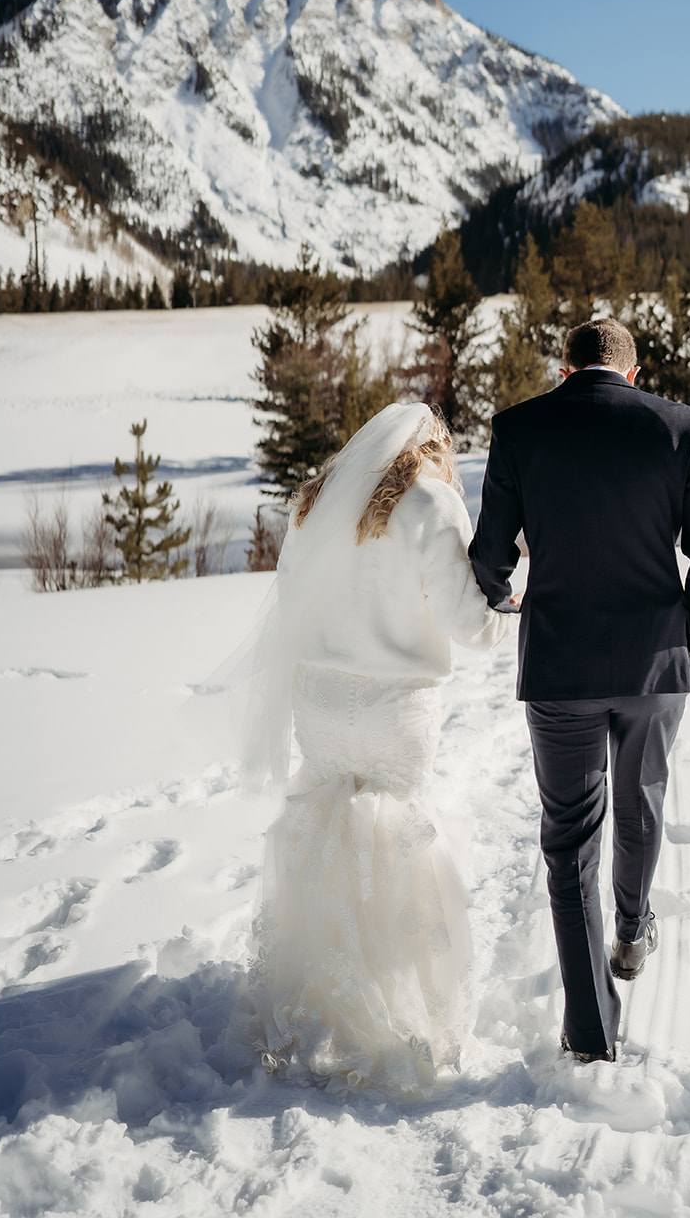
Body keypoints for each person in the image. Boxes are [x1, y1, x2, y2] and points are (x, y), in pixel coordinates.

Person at [469, 318, 690, 1064]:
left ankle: (589, 1032)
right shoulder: (678, 427)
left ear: (564, 365)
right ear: (632, 366)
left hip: (559, 667)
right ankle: (631, 925)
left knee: (567, 845)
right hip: (654, 663)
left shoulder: (518, 428)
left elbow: (489, 553)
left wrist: (501, 596)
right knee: (641, 798)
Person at [227, 403, 512, 1094]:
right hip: (397, 706)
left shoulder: (313, 505)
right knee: (397, 841)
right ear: (431, 449)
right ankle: (400, 998)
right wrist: (503, 620)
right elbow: (464, 623)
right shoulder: (430, 505)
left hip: (319, 701)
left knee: (325, 832)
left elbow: (289, 600)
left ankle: (320, 995)